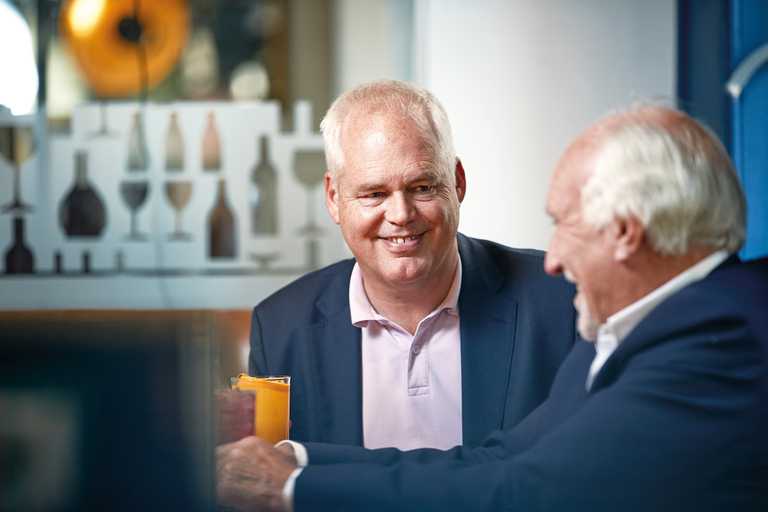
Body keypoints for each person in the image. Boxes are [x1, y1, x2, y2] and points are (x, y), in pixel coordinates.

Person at [216, 104, 768, 512]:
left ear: (624, 234)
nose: (553, 259)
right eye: (373, 193)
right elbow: (497, 457)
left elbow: (527, 491)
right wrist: (296, 460)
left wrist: (290, 489)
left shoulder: (720, 337)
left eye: (565, 226)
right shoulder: (653, 327)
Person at [247, 80, 576, 449]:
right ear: (334, 198)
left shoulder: (561, 300)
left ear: (458, 182)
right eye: (374, 194)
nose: (401, 215)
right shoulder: (280, 329)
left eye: (422, 187)